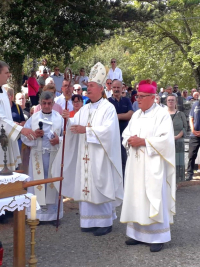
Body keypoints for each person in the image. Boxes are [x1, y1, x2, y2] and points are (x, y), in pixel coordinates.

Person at [52, 62, 123, 236]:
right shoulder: (84, 108)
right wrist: (69, 121)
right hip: (85, 156)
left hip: (101, 156)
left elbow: (109, 131)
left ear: (100, 88)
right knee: (86, 185)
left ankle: (105, 222)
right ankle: (89, 221)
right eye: (87, 86)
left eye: (91, 86)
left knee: (100, 185)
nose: (88, 88)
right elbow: (76, 127)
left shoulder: (108, 108)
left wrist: (87, 130)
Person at [121, 79, 175, 253]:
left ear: (153, 97)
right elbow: (126, 134)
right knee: (136, 197)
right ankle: (137, 234)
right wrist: (129, 140)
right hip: (136, 165)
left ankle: (157, 237)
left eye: (143, 96)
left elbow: (166, 140)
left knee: (152, 197)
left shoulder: (162, 114)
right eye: (137, 96)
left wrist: (143, 141)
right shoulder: (136, 115)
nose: (138, 99)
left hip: (153, 165)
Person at [0, 60, 37, 170]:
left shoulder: (3, 92)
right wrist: (21, 129)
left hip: (6, 139)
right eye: (6, 73)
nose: (9, 75)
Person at [22, 91, 63, 224]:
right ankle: (36, 215)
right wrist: (34, 134)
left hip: (53, 156)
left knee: (52, 183)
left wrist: (59, 140)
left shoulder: (59, 118)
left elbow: (66, 137)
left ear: (53, 103)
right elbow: (24, 136)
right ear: (40, 103)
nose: (46, 106)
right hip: (37, 157)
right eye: (44, 103)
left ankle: (53, 216)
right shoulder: (33, 118)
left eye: (49, 103)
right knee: (37, 185)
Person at [108, 79, 133, 177]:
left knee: (124, 161)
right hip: (112, 137)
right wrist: (124, 115)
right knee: (112, 161)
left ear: (122, 88)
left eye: (118, 87)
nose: (116, 89)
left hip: (124, 135)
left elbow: (131, 114)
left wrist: (116, 116)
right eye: (114, 87)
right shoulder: (107, 102)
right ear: (111, 88)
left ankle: (124, 185)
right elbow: (107, 118)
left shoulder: (126, 100)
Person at [166, 94, 187, 182]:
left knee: (178, 161)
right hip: (166, 141)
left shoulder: (180, 114)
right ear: (166, 102)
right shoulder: (163, 114)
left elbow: (185, 127)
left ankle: (178, 180)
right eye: (169, 100)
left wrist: (178, 136)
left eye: (172, 100)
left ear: (176, 102)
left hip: (178, 141)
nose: (171, 102)